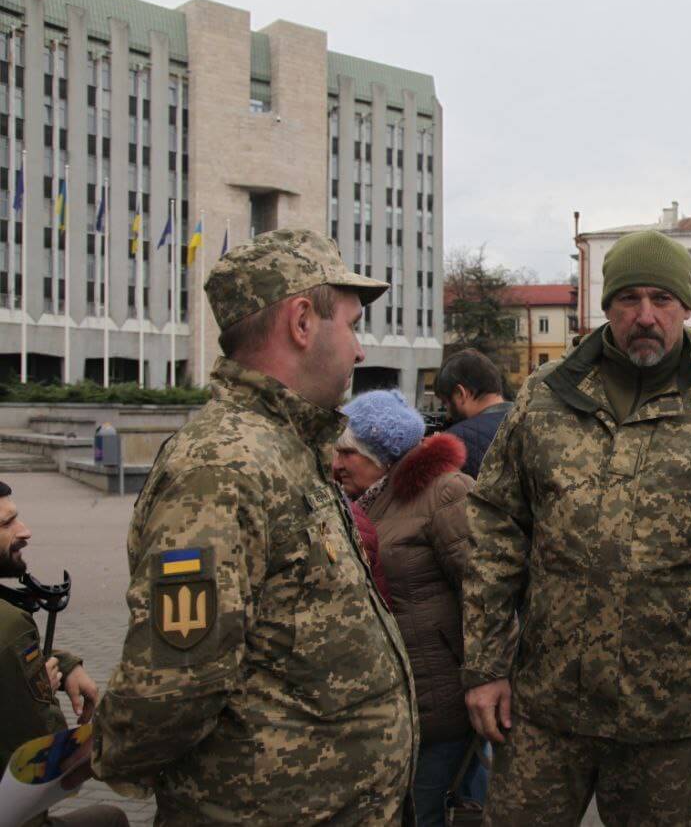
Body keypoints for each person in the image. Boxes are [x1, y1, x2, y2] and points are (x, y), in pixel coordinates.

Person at [462, 229, 691, 824]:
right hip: (544, 713)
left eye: (661, 300)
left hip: (669, 724)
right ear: (606, 306)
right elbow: (495, 529)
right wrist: (486, 667)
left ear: (685, 307)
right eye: (629, 299)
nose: (645, 316)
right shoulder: (546, 398)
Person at [92, 230, 418, 823]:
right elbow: (175, 680)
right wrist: (106, 755)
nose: (360, 351)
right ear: (301, 321)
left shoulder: (287, 447)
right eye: (351, 324)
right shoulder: (223, 466)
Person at [335, 389, 486, 827]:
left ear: (381, 454)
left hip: (439, 703)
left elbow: (485, 592)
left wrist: (486, 679)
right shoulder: (359, 502)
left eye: (349, 452)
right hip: (389, 707)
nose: (336, 463)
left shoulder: (446, 495)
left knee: (424, 812)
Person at [0, 481, 127, 827]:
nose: (24, 531)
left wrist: (63, 664)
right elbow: (43, 749)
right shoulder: (10, 626)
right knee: (111, 818)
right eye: (6, 524)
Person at [436, 349, 513, 479]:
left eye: (445, 403)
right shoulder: (531, 421)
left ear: (461, 394)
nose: (447, 414)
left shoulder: (456, 441)